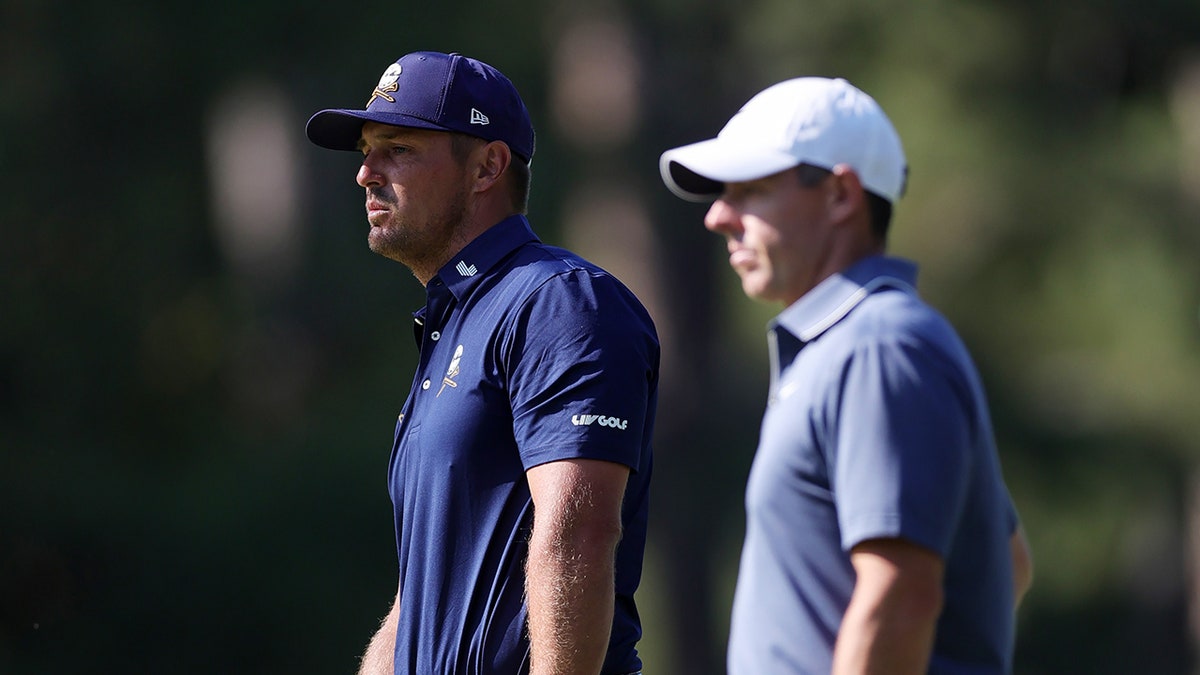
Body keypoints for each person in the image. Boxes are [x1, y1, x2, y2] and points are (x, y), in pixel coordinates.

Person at [659, 77, 1033, 674]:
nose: (718, 217)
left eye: (752, 190)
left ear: (840, 195)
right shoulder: (850, 348)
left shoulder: (878, 347)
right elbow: (1005, 560)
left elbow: (900, 594)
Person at [306, 51, 658, 675]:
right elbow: (427, 594)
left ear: (487, 166)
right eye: (367, 149)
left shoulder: (559, 302)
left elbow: (577, 534)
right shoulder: (457, 316)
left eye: (399, 148)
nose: (366, 173)